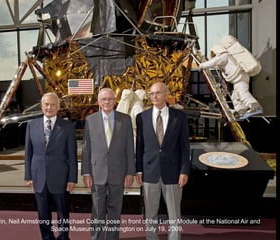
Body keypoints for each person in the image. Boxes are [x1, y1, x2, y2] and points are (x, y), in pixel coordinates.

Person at [135, 82, 191, 240]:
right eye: (151, 93)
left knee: (174, 215)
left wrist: (184, 171)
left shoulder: (179, 117)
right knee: (150, 214)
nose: (154, 96)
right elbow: (139, 146)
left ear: (166, 94)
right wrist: (139, 169)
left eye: (158, 93)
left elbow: (185, 147)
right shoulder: (142, 117)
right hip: (149, 172)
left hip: (173, 173)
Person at [81, 87, 135, 240]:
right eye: (104, 99)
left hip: (118, 173)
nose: (107, 102)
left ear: (115, 100)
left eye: (110, 99)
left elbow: (130, 148)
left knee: (115, 210)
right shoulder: (90, 120)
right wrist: (86, 172)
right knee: (97, 210)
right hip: (96, 173)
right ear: (98, 102)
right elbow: (86, 148)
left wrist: (130, 172)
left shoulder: (125, 120)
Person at [24, 92, 78, 240]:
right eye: (46, 104)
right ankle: (47, 237)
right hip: (38, 178)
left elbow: (72, 155)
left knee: (63, 212)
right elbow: (28, 153)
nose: (49, 107)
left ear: (58, 107)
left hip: (61, 178)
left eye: (53, 104)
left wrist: (72, 178)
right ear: (42, 106)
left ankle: (63, 237)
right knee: (43, 214)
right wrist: (28, 176)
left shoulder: (67, 126)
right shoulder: (31, 125)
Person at [199, 45, 263, 119]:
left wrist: (202, 65)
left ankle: (255, 106)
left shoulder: (224, 56)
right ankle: (240, 110)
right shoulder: (228, 57)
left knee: (242, 92)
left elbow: (214, 62)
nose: (214, 56)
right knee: (235, 96)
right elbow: (216, 65)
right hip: (239, 78)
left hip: (239, 77)